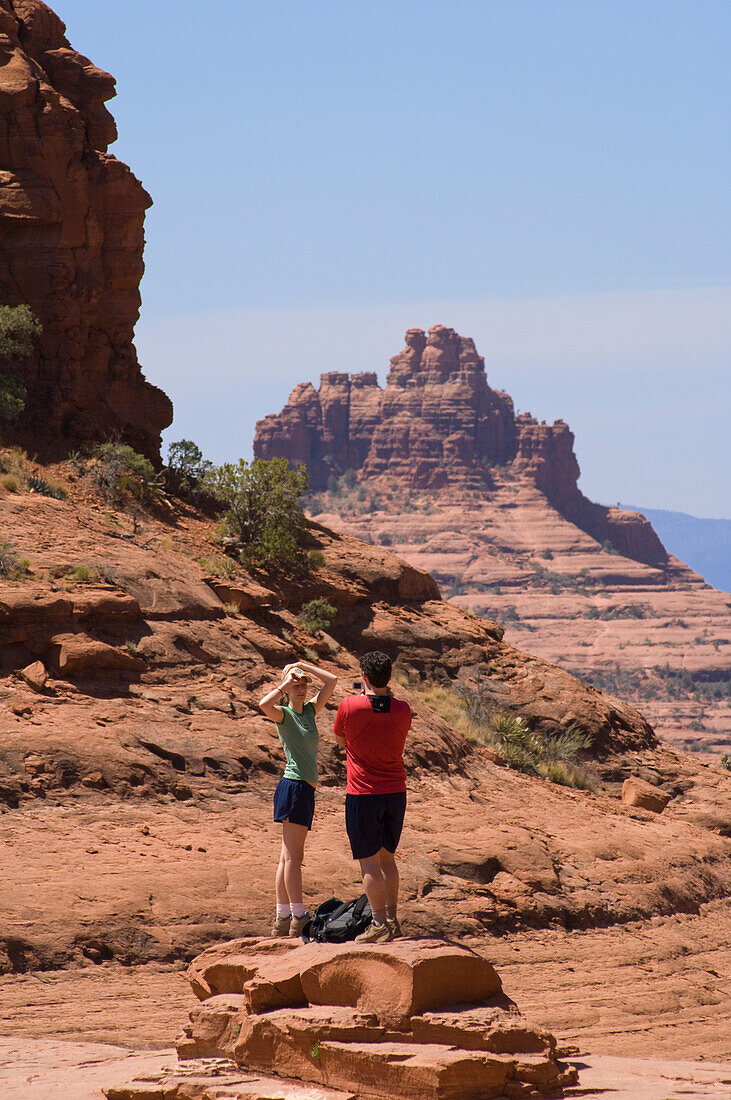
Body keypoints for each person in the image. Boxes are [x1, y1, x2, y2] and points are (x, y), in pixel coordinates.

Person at [333, 650, 412, 943]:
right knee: (387, 860)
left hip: (363, 793)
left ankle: (378, 923)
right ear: (388, 677)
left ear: (364, 676)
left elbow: (340, 741)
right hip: (395, 792)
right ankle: (392, 920)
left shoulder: (349, 706)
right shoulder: (403, 710)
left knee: (368, 863)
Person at [259, 659, 337, 937]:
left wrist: (303, 665)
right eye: (297, 685)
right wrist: (284, 683)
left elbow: (332, 681)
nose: (301, 689)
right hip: (294, 787)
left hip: (303, 789)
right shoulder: (284, 715)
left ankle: (282, 917)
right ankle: (299, 915)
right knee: (293, 857)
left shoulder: (310, 711)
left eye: (303, 685)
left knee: (286, 857)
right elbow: (263, 705)